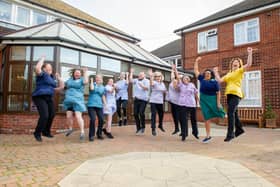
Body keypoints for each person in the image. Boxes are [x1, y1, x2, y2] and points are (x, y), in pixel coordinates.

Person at [214, 47, 253, 142]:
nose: (235, 62)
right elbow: (219, 80)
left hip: (236, 94)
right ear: (231, 64)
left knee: (230, 113)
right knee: (234, 113)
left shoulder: (239, 71)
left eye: (237, 62)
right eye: (234, 62)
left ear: (239, 64)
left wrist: (250, 53)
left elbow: (248, 64)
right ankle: (239, 129)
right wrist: (215, 72)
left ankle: (230, 134)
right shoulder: (228, 74)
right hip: (229, 95)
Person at [32, 56, 64, 142]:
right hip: (39, 97)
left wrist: (60, 79)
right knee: (44, 115)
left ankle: (46, 131)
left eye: (51, 67)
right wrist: (42, 58)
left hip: (49, 97)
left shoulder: (52, 78)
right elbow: (38, 68)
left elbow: (60, 88)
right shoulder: (42, 74)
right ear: (44, 68)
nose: (50, 68)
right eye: (48, 67)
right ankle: (37, 132)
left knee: (52, 114)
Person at [194, 57, 225, 143]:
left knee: (221, 112)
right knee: (206, 118)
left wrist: (218, 103)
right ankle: (208, 136)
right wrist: (196, 61)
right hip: (203, 100)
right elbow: (196, 70)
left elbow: (218, 93)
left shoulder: (214, 82)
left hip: (212, 99)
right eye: (206, 73)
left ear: (211, 75)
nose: (207, 74)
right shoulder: (201, 79)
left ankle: (232, 122)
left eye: (209, 73)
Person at [173, 65, 199, 141]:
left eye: (187, 78)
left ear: (189, 79)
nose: (186, 79)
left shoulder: (192, 85)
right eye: (184, 78)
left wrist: (198, 102)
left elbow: (196, 94)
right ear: (183, 80)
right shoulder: (181, 84)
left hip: (192, 104)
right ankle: (184, 134)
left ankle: (195, 133)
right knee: (184, 120)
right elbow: (177, 77)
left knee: (193, 119)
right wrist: (175, 70)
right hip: (183, 105)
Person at [64, 68, 88, 140]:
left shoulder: (82, 80)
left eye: (78, 73)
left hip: (78, 101)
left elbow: (86, 82)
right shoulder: (69, 80)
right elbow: (64, 86)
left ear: (80, 74)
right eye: (76, 72)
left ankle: (82, 132)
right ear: (73, 73)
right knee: (68, 116)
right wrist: (59, 79)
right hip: (69, 101)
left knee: (78, 116)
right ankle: (70, 128)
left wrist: (85, 72)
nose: (77, 74)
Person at [129, 69, 150, 135]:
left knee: (141, 113)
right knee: (135, 114)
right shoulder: (136, 80)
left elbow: (147, 88)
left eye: (141, 75)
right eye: (139, 75)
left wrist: (142, 86)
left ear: (144, 75)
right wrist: (131, 72)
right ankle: (138, 128)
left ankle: (143, 127)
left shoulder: (147, 81)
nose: (140, 76)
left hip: (144, 100)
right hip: (136, 99)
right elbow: (130, 80)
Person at [87, 74, 106, 141]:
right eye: (97, 78)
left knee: (101, 119)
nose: (98, 79)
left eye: (99, 78)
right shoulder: (93, 84)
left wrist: (105, 104)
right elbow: (92, 89)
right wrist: (91, 81)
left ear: (101, 79)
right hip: (91, 105)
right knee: (93, 119)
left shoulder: (103, 87)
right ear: (95, 79)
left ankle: (99, 134)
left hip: (99, 105)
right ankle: (91, 135)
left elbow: (103, 96)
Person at [148, 69, 167, 136]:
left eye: (159, 76)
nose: (158, 77)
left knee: (161, 114)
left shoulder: (162, 84)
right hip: (153, 101)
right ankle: (153, 129)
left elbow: (164, 91)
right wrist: (151, 76)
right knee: (153, 114)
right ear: (155, 77)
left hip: (160, 101)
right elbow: (151, 83)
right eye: (157, 76)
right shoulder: (154, 82)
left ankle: (160, 125)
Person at [166, 67, 180, 135]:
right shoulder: (172, 82)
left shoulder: (179, 85)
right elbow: (172, 76)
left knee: (178, 116)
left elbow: (177, 90)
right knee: (174, 116)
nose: (174, 79)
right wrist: (172, 70)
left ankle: (182, 129)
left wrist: (175, 71)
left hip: (178, 102)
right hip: (172, 102)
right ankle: (176, 128)